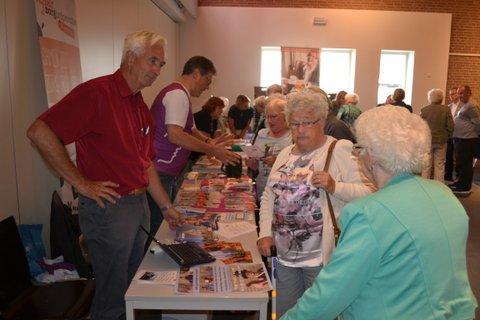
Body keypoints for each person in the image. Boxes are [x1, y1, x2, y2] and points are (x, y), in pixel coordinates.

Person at [26, 31, 183, 320]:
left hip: (138, 208)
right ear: (130, 57)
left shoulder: (138, 105)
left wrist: (166, 207)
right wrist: (81, 183)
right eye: (152, 61)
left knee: (135, 289)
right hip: (110, 210)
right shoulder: (97, 93)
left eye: (161, 64)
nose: (157, 70)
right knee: (112, 297)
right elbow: (39, 131)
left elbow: (145, 165)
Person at [281, 105, 477, 320]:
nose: (358, 155)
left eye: (360, 149)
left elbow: (329, 295)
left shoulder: (368, 213)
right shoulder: (443, 194)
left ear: (372, 156)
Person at [257, 91, 373, 317]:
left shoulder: (338, 149)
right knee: (284, 314)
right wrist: (264, 232)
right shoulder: (284, 154)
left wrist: (334, 186)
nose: (300, 130)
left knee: (319, 315)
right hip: (283, 257)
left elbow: (368, 193)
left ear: (321, 121)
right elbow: (269, 196)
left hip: (320, 258)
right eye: (295, 123)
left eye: (306, 123)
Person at [150, 56, 239, 235]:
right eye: (207, 80)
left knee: (165, 223)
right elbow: (175, 135)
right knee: (159, 227)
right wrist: (212, 149)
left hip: (166, 171)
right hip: (160, 171)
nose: (208, 86)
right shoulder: (177, 94)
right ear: (196, 74)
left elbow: (190, 128)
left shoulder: (181, 94)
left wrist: (209, 142)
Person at [245, 97, 292, 202]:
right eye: (267, 117)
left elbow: (300, 168)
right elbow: (256, 166)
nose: (270, 121)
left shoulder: (292, 137)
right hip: (262, 189)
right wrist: (252, 163)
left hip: (284, 194)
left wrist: (277, 162)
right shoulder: (262, 133)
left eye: (274, 116)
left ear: (286, 116)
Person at [450, 85, 480, 193]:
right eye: (458, 93)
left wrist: (475, 136)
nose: (459, 95)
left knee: (466, 164)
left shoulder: (472, 105)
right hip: (461, 138)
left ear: (469, 93)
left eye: (462, 93)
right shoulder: (465, 104)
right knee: (461, 163)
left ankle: (464, 186)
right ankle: (460, 182)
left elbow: (478, 123)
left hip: (467, 139)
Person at [420, 89, 454, 183]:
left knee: (426, 164)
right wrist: (448, 136)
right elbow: (451, 125)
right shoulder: (446, 109)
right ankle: (439, 186)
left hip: (428, 141)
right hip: (441, 141)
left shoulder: (424, 110)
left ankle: (424, 184)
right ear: (441, 98)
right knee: (440, 164)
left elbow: (421, 126)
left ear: (430, 98)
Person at [445, 86, 460, 181]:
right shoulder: (448, 107)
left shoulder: (463, 106)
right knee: (448, 156)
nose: (452, 96)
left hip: (460, 135)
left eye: (454, 94)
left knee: (458, 157)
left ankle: (459, 176)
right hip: (450, 135)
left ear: (458, 94)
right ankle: (448, 176)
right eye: (450, 94)